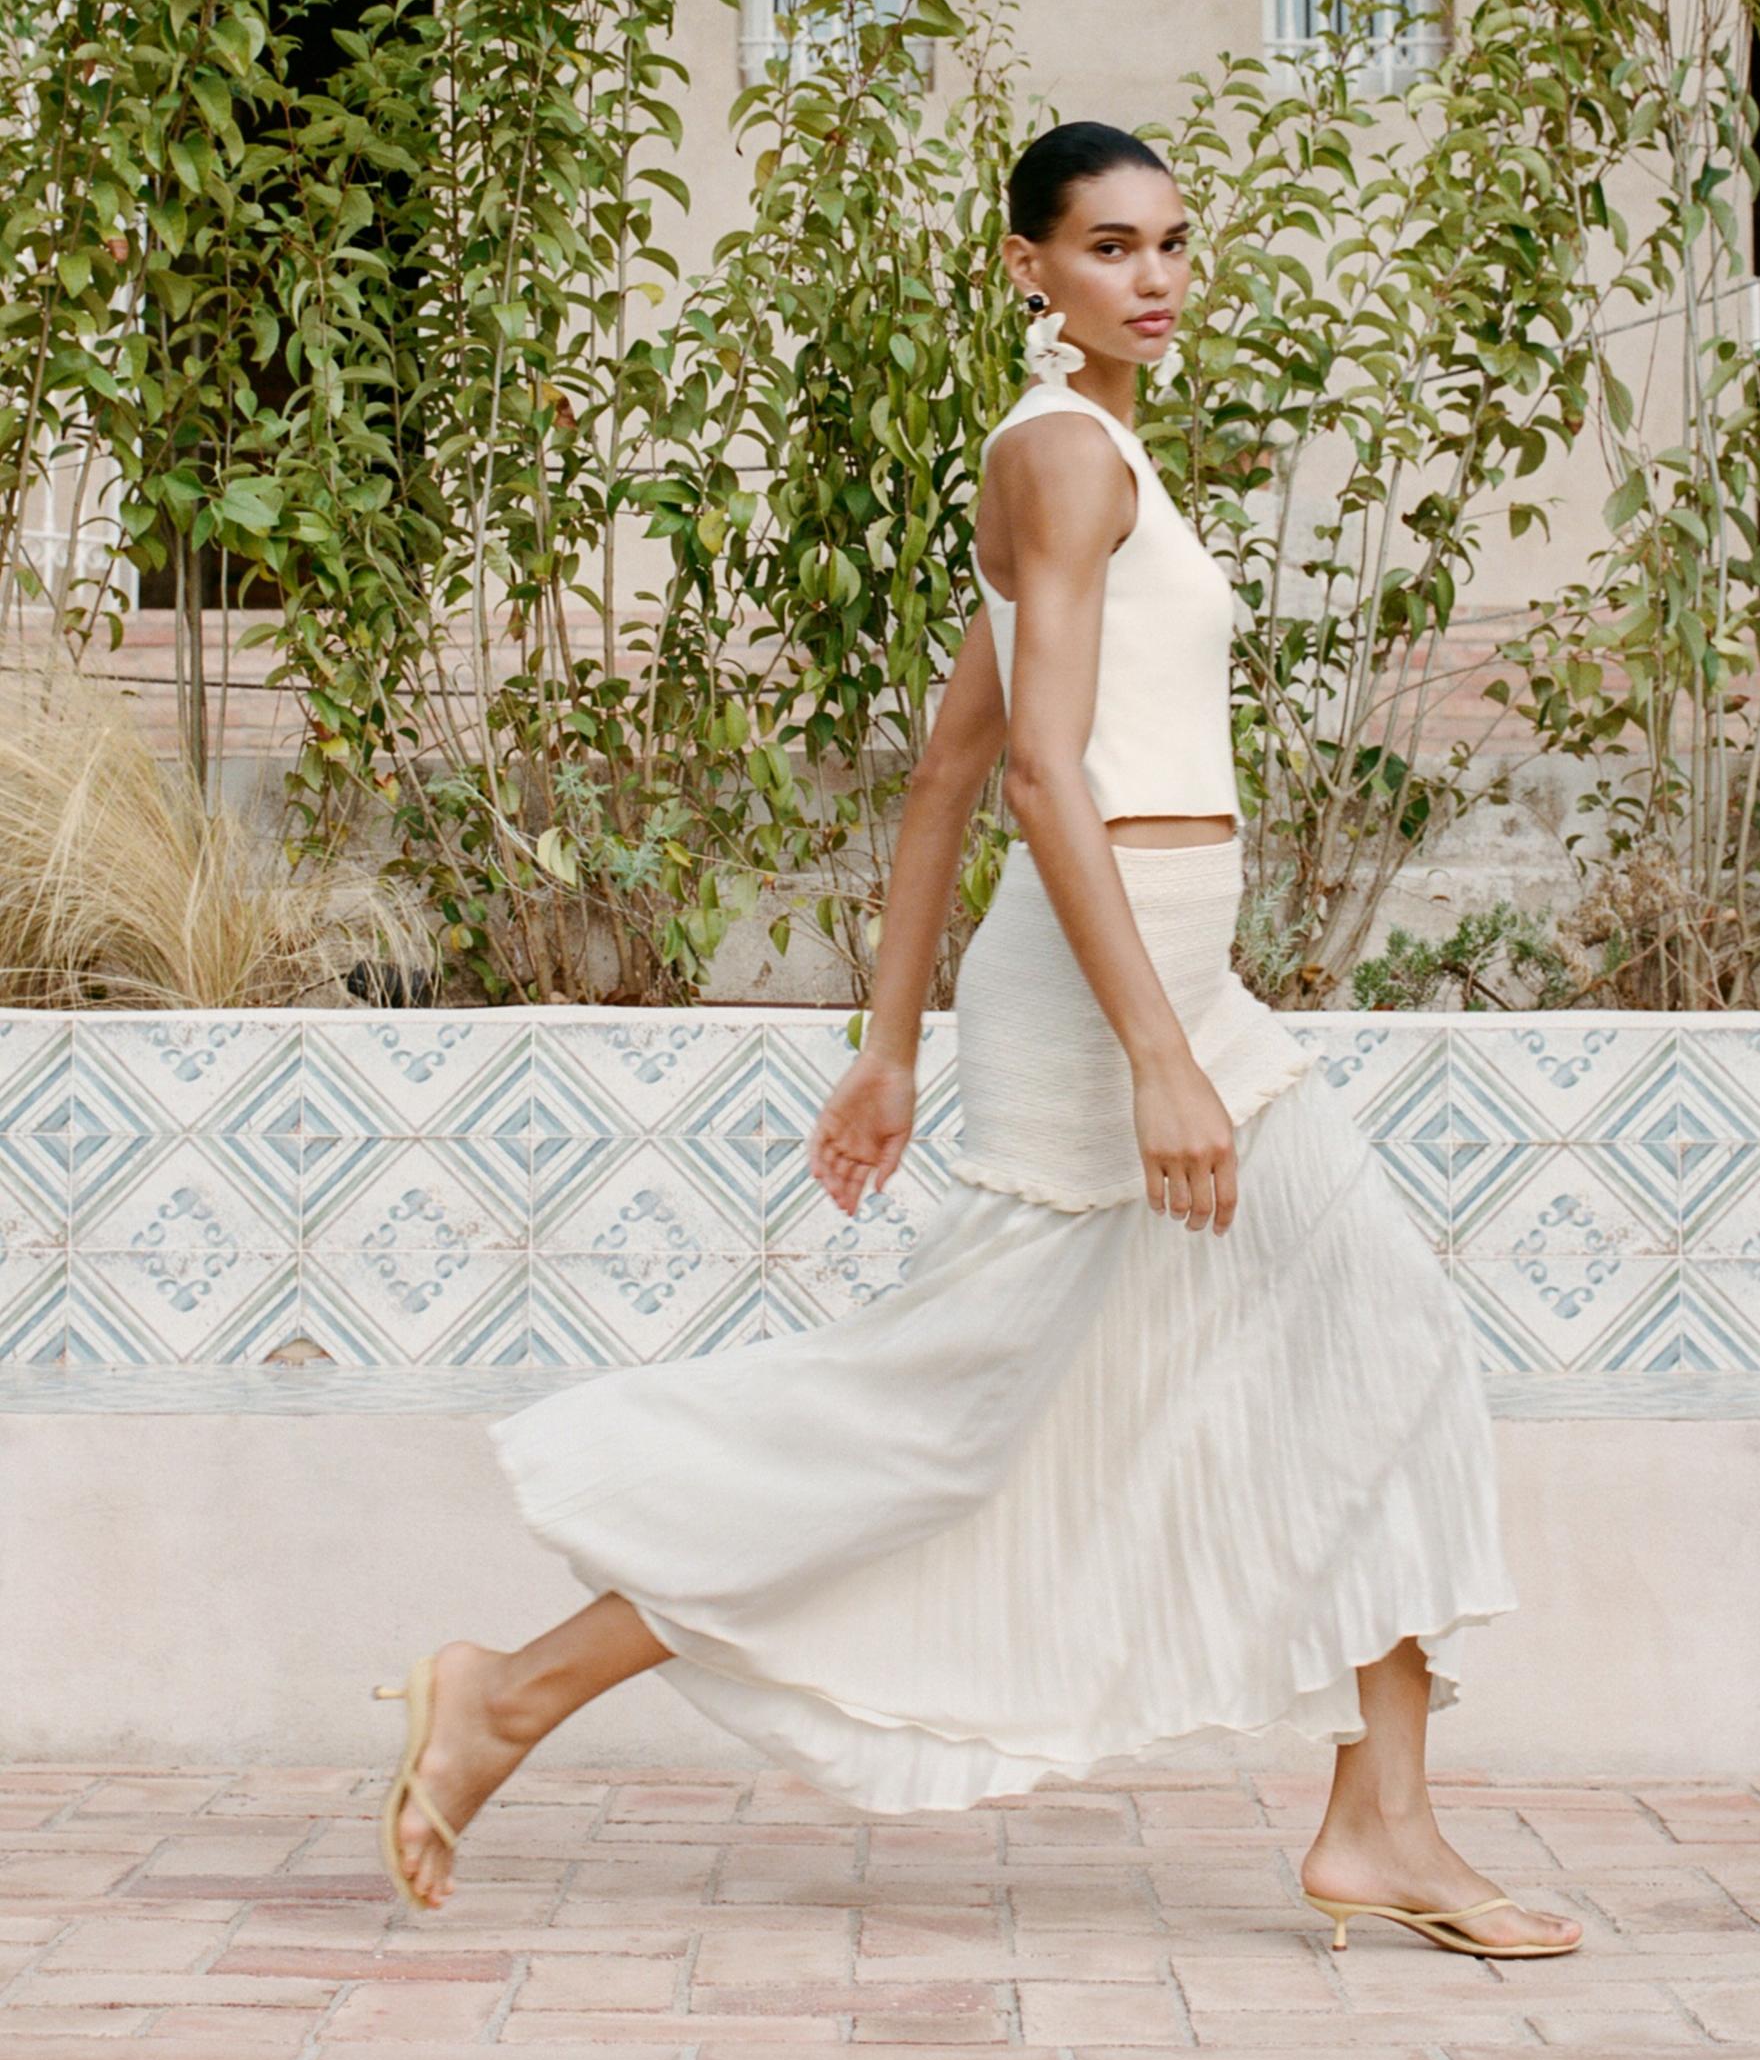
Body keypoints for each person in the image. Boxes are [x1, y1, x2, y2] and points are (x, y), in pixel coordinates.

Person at [376, 119, 1580, 1964]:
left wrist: (888, 1046)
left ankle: (1384, 1821)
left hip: (1163, 984)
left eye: (1176, 242)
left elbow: (947, 756)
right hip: (1127, 1004)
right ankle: (511, 1697)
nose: (1157, 276)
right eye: (1110, 247)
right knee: (949, 1424)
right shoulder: (1062, 456)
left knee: (1378, 1334)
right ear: (1029, 268)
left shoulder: (1086, 454)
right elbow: (1037, 774)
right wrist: (1162, 1055)